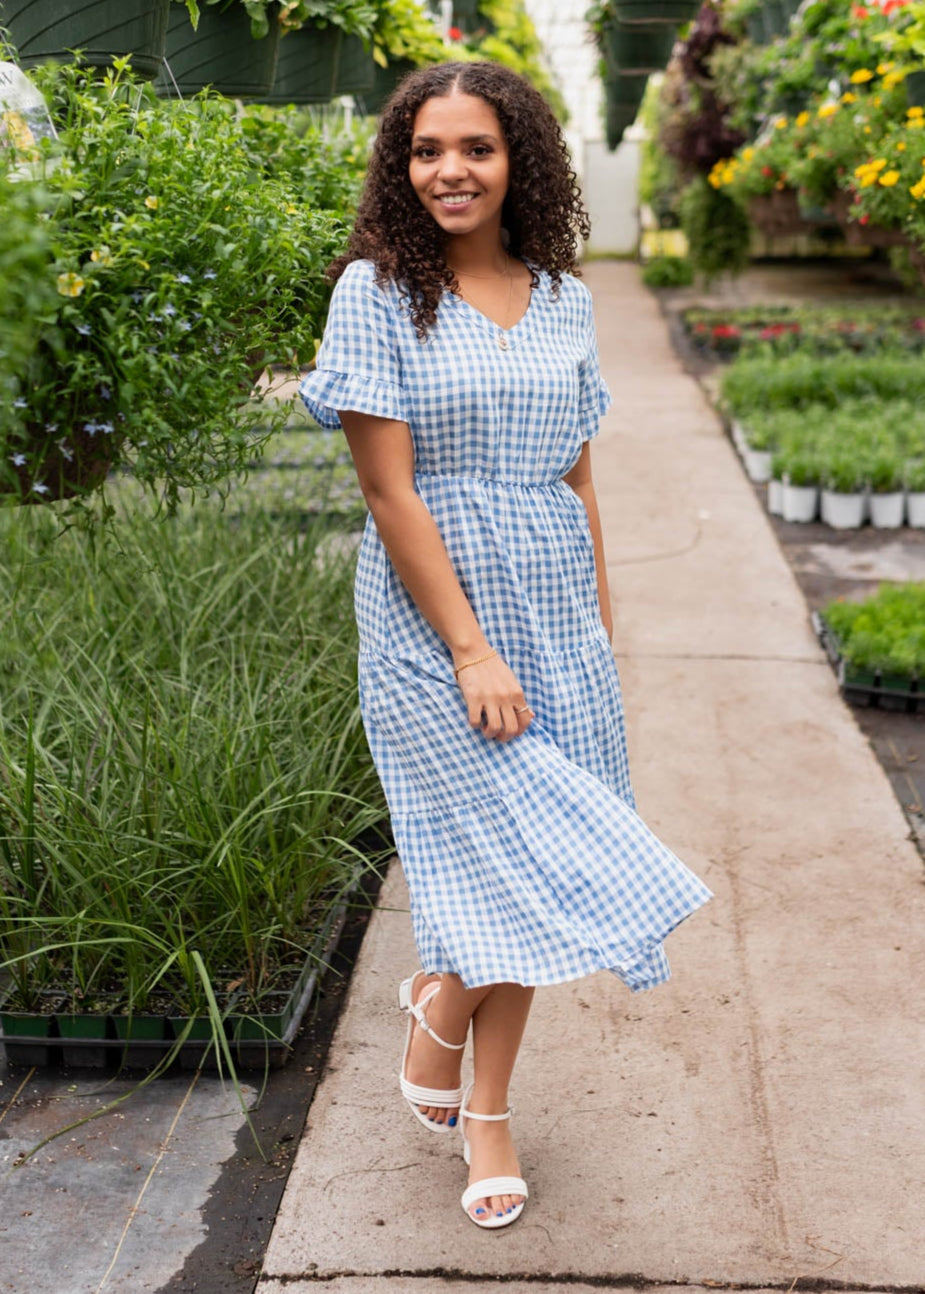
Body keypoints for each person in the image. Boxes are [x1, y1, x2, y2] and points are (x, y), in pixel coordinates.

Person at [300, 61, 712, 1231]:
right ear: (401, 164)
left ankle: (481, 1096)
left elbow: (578, 472)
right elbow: (390, 494)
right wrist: (474, 651)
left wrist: (599, 612)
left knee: (540, 869)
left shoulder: (566, 298)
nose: (450, 170)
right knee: (510, 852)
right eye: (428, 150)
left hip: (553, 610)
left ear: (517, 158)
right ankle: (438, 1014)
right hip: (438, 622)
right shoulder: (376, 296)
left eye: (474, 147)